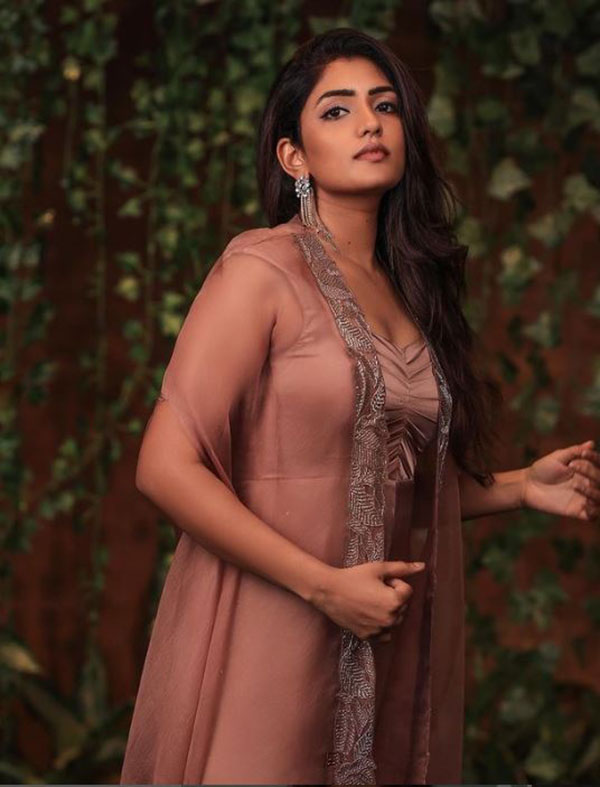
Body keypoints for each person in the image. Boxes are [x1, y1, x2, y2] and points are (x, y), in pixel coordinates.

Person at [120, 28, 600, 786]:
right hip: (272, 629)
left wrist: (519, 487)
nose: (370, 123)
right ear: (294, 157)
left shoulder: (411, 292)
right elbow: (163, 466)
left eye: (385, 106)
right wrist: (322, 585)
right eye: (337, 110)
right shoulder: (260, 269)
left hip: (384, 641)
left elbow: (380, 481)